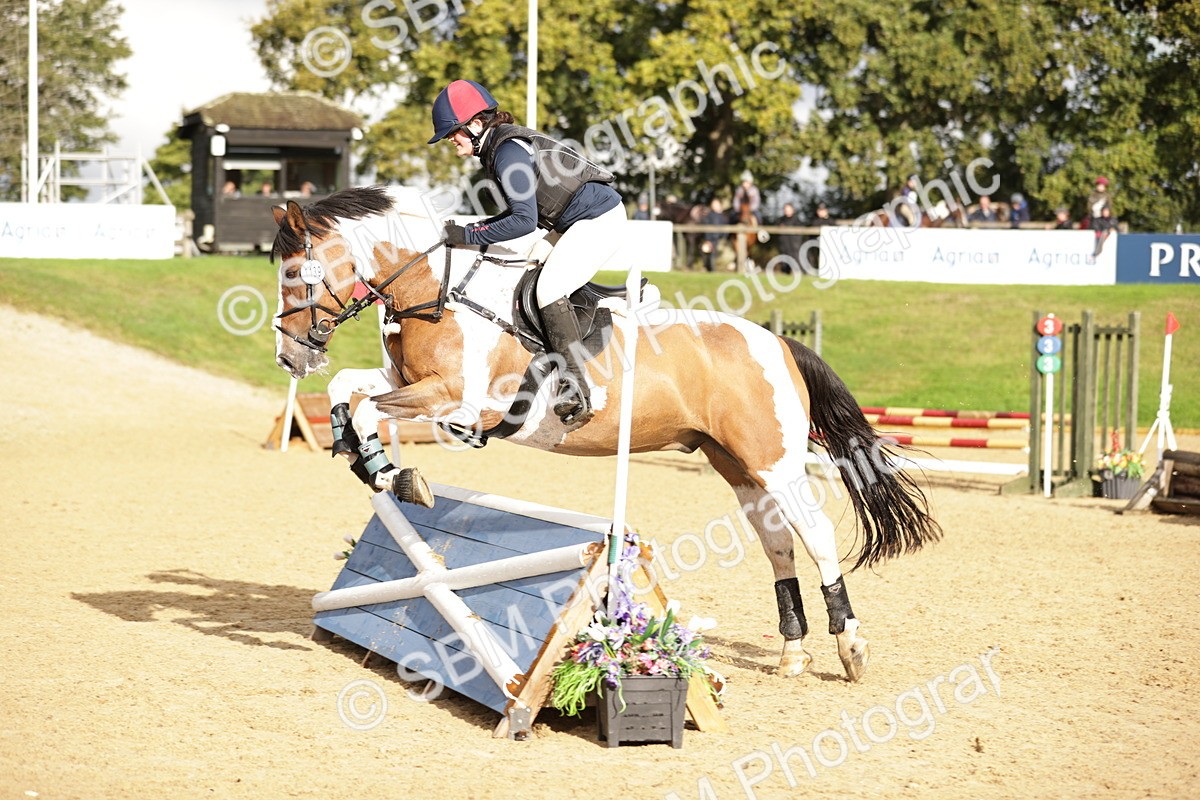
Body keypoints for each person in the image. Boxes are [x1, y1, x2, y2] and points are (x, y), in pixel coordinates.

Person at [428, 79, 624, 427]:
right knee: (520, 268)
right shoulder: (498, 148)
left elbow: (522, 221)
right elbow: (520, 219)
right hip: (570, 224)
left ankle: (576, 387)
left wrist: (468, 234)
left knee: (548, 289)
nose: (450, 140)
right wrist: (472, 233)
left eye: (453, 133)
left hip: (599, 220)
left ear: (475, 124)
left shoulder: (507, 152)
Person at [700, 198, 728, 272]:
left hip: (718, 238)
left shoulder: (723, 216)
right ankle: (710, 269)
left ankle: (713, 269)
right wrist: (708, 239)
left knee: (714, 254)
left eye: (717, 204)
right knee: (708, 253)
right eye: (714, 204)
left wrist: (723, 236)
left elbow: (725, 227)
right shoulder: (709, 215)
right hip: (710, 238)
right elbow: (706, 227)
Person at [774, 202, 805, 268]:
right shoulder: (780, 220)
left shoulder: (797, 220)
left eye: (789, 210)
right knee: (784, 264)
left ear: (793, 210)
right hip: (784, 246)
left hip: (794, 247)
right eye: (786, 210)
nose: (787, 211)